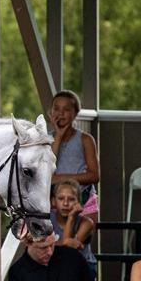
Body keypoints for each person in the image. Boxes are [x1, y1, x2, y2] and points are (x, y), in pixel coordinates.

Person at [49, 90, 100, 222]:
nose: (60, 113)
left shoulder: (85, 139)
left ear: (75, 113)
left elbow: (94, 175)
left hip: (82, 198)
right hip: (56, 202)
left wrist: (60, 178)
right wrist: (58, 137)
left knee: (80, 240)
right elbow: (47, 168)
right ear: (51, 112)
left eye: (66, 109)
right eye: (56, 109)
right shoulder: (46, 140)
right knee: (57, 240)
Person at [51, 179, 96, 278]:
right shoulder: (48, 221)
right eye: (61, 198)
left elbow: (67, 252)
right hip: (56, 268)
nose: (66, 203)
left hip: (83, 268)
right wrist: (64, 243)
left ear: (79, 203)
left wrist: (71, 217)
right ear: (53, 201)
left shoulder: (87, 223)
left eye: (71, 199)